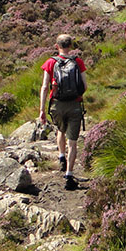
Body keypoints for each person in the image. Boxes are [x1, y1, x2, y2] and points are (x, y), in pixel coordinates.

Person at [39, 34, 87, 190]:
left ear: (56, 46)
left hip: (57, 105)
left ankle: (61, 156)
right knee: (72, 142)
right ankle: (69, 174)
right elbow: (84, 86)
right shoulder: (78, 62)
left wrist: (42, 110)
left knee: (61, 129)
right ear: (71, 46)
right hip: (74, 105)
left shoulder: (50, 62)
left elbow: (45, 87)